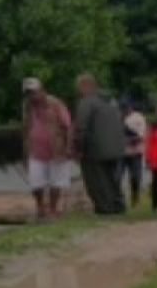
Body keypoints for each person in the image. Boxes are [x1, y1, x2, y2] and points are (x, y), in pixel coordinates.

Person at [21, 77, 73, 221]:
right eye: (28, 93)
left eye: (34, 92)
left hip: (57, 149)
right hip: (36, 150)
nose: (32, 96)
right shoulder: (28, 107)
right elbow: (26, 128)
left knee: (56, 181)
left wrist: (69, 147)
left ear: (42, 90)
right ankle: (40, 208)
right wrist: (25, 149)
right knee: (35, 182)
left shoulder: (56, 104)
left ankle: (53, 209)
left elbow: (68, 127)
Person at [73, 73, 127, 215]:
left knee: (96, 180)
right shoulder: (111, 101)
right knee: (112, 179)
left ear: (85, 86)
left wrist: (78, 148)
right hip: (116, 147)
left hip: (95, 148)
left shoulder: (87, 102)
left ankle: (104, 207)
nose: (78, 91)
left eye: (79, 87)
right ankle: (118, 204)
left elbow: (81, 128)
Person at [120, 100, 147, 209]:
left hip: (135, 151)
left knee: (135, 177)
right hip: (121, 152)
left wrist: (128, 139)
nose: (124, 111)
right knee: (117, 177)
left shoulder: (138, 118)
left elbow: (141, 136)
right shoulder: (119, 118)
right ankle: (120, 200)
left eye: (125, 108)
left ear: (130, 107)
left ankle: (135, 198)